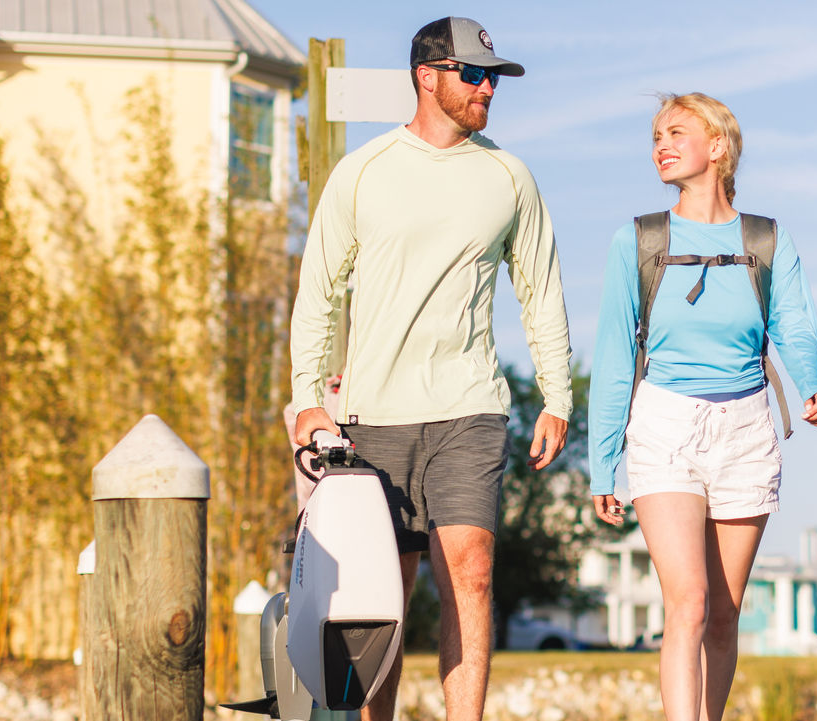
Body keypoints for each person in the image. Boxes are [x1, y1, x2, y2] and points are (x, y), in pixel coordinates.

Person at [289, 16, 573, 721]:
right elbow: (318, 290)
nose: (487, 89)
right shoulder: (363, 172)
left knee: (470, 574)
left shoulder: (509, 176)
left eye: (492, 77)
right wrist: (305, 398)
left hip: (468, 409)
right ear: (428, 76)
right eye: (473, 74)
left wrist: (558, 393)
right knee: (380, 595)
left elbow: (541, 289)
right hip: (370, 416)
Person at [588, 92, 817, 721]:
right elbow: (615, 356)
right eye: (655, 137)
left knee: (724, 616)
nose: (660, 146)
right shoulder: (639, 240)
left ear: (718, 146)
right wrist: (602, 464)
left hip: (746, 427)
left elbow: (795, 322)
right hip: (664, 422)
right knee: (689, 602)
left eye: (676, 132)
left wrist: (814, 382)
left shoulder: (766, 240)